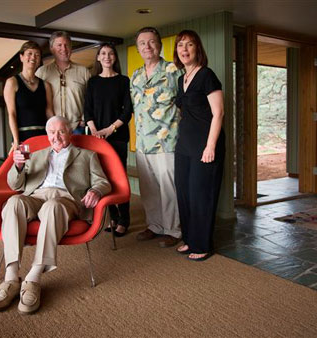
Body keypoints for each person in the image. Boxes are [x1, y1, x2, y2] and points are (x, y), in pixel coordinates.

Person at [0, 116, 111, 314]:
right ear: (47, 134)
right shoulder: (35, 155)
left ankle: (33, 278)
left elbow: (103, 182)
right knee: (13, 202)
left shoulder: (87, 155)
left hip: (65, 199)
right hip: (35, 196)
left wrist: (96, 191)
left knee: (53, 206)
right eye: (52, 132)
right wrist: (17, 167)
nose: (56, 136)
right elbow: (15, 185)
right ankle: (11, 278)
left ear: (69, 133)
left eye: (61, 131)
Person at [173, 30, 225, 261]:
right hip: (184, 145)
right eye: (180, 45)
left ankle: (203, 244)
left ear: (198, 49)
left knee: (200, 195)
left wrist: (210, 146)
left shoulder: (207, 75)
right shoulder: (180, 79)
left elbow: (218, 113)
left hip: (205, 145)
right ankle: (190, 239)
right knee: (184, 193)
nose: (184, 50)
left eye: (190, 45)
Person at [130, 27, 183, 247]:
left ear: (160, 45)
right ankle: (155, 226)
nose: (147, 47)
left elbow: (185, 105)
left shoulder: (173, 71)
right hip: (143, 141)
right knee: (149, 188)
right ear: (138, 47)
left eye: (152, 42)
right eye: (142, 43)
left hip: (167, 140)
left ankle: (173, 230)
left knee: (168, 187)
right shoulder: (136, 75)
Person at [84, 43, 133, 237]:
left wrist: (109, 129)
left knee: (119, 177)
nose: (107, 56)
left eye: (111, 53)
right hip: (97, 138)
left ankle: (125, 220)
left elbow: (127, 111)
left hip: (118, 136)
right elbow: (87, 109)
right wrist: (96, 132)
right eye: (103, 53)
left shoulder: (123, 80)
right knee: (103, 178)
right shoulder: (93, 82)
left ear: (115, 58)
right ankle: (113, 217)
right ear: (98, 58)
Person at [36, 31, 91, 134]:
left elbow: (91, 99)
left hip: (77, 128)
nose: (64, 49)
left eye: (67, 45)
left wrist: (84, 119)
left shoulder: (84, 72)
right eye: (59, 45)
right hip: (52, 130)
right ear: (52, 49)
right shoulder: (42, 73)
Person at [4, 41, 54, 152]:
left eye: (37, 55)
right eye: (29, 53)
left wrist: (55, 134)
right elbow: (11, 114)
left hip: (44, 137)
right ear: (21, 57)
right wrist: (16, 141)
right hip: (23, 139)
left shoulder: (46, 85)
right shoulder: (12, 82)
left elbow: (49, 112)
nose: (33, 57)